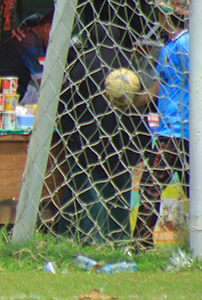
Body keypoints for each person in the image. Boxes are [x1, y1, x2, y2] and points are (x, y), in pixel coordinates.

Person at [56, 20, 151, 245]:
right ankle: (119, 238)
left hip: (88, 140)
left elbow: (65, 103)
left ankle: (90, 239)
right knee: (119, 191)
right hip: (121, 142)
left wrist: (67, 136)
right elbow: (140, 104)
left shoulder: (81, 63)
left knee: (88, 190)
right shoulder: (127, 64)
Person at [133, 0, 191, 252]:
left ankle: (139, 243)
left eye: (159, 11)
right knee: (151, 187)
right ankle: (142, 243)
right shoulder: (168, 46)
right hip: (169, 129)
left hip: (184, 131)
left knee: (153, 186)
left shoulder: (187, 44)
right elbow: (156, 90)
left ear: (167, 13)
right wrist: (128, 99)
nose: (156, 16)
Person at [0, 10, 53, 102]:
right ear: (47, 28)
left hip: (0, 92)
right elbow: (44, 82)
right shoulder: (30, 44)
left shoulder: (29, 36)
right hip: (1, 96)